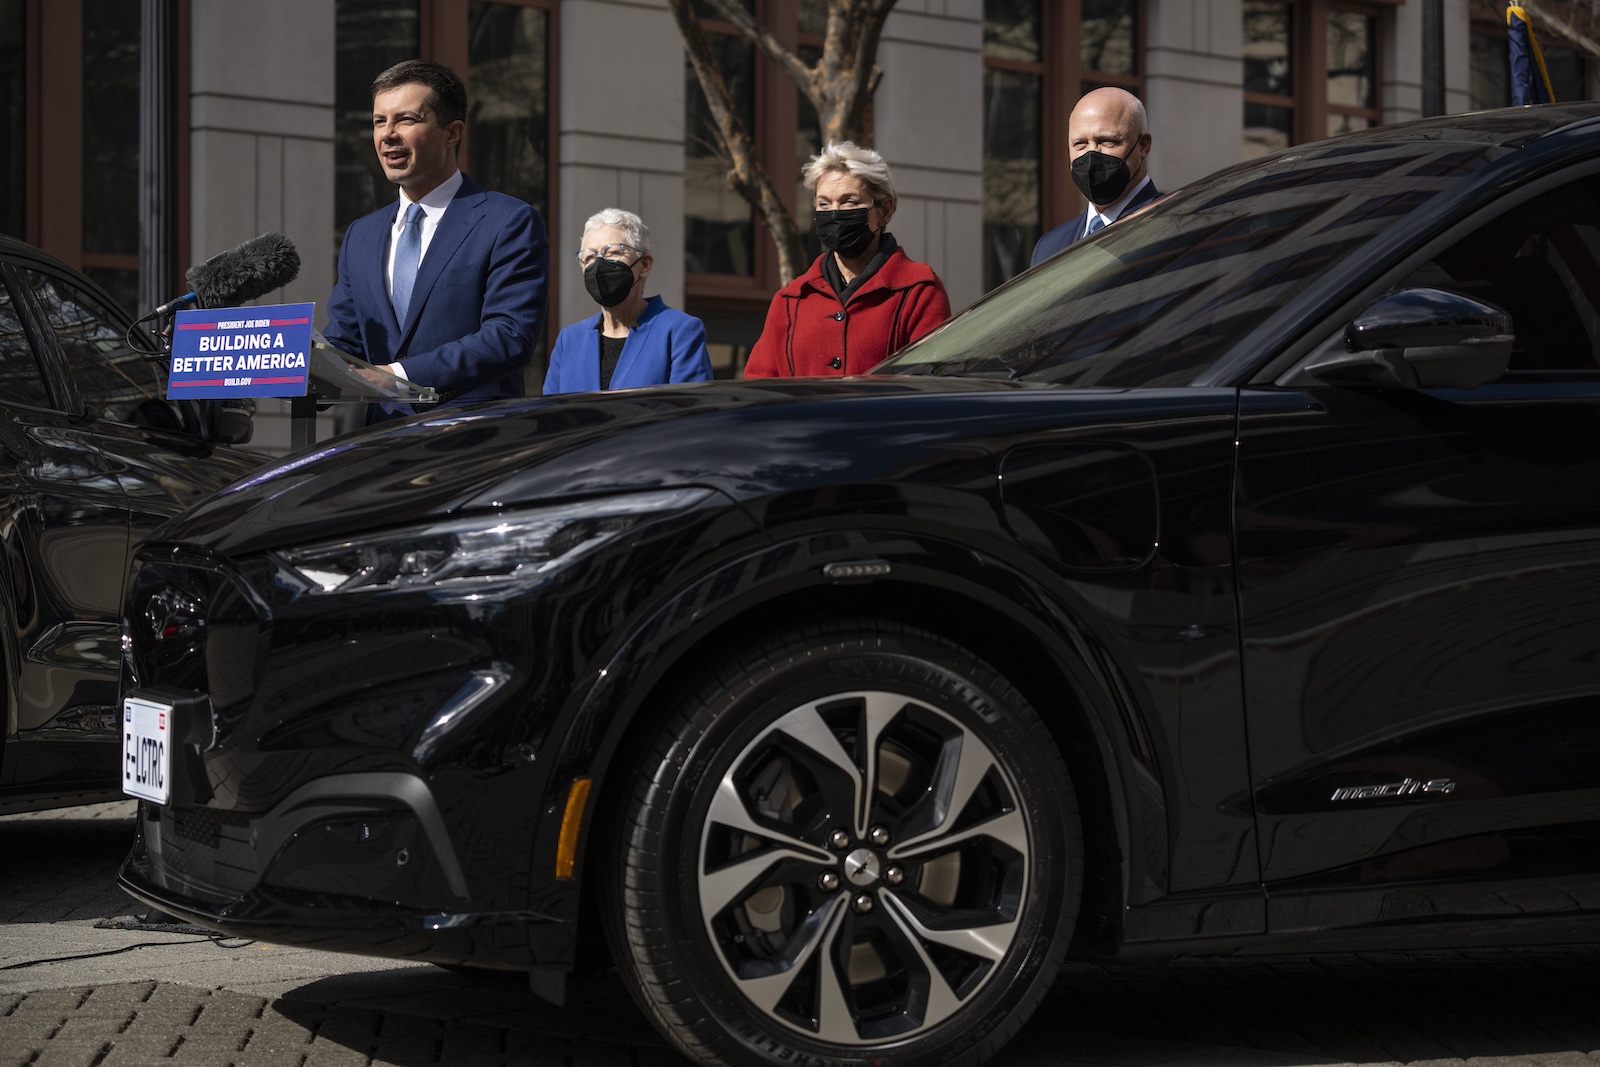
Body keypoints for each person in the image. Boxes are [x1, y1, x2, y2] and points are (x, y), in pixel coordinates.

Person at [323, 60, 548, 421]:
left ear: (452, 132)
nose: (387, 134)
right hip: (380, 447)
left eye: (406, 120)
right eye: (379, 121)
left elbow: (508, 336)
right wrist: (297, 369)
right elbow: (345, 342)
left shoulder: (508, 221)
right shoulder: (360, 236)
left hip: (469, 446)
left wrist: (396, 377)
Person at [744, 141, 950, 378]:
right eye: (824, 203)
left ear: (885, 211)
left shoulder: (919, 291)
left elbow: (929, 389)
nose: (834, 213)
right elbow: (760, 387)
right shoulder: (790, 301)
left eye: (849, 202)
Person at [543, 209, 712, 394]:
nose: (599, 264)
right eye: (590, 257)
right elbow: (551, 415)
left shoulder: (679, 332)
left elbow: (687, 413)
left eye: (613, 252)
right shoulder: (569, 341)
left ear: (644, 265)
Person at [1029, 87, 1161, 267]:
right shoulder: (1049, 248)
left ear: (1143, 146)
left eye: (1107, 141)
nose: (1092, 155)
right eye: (1080, 144)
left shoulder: (1179, 228)